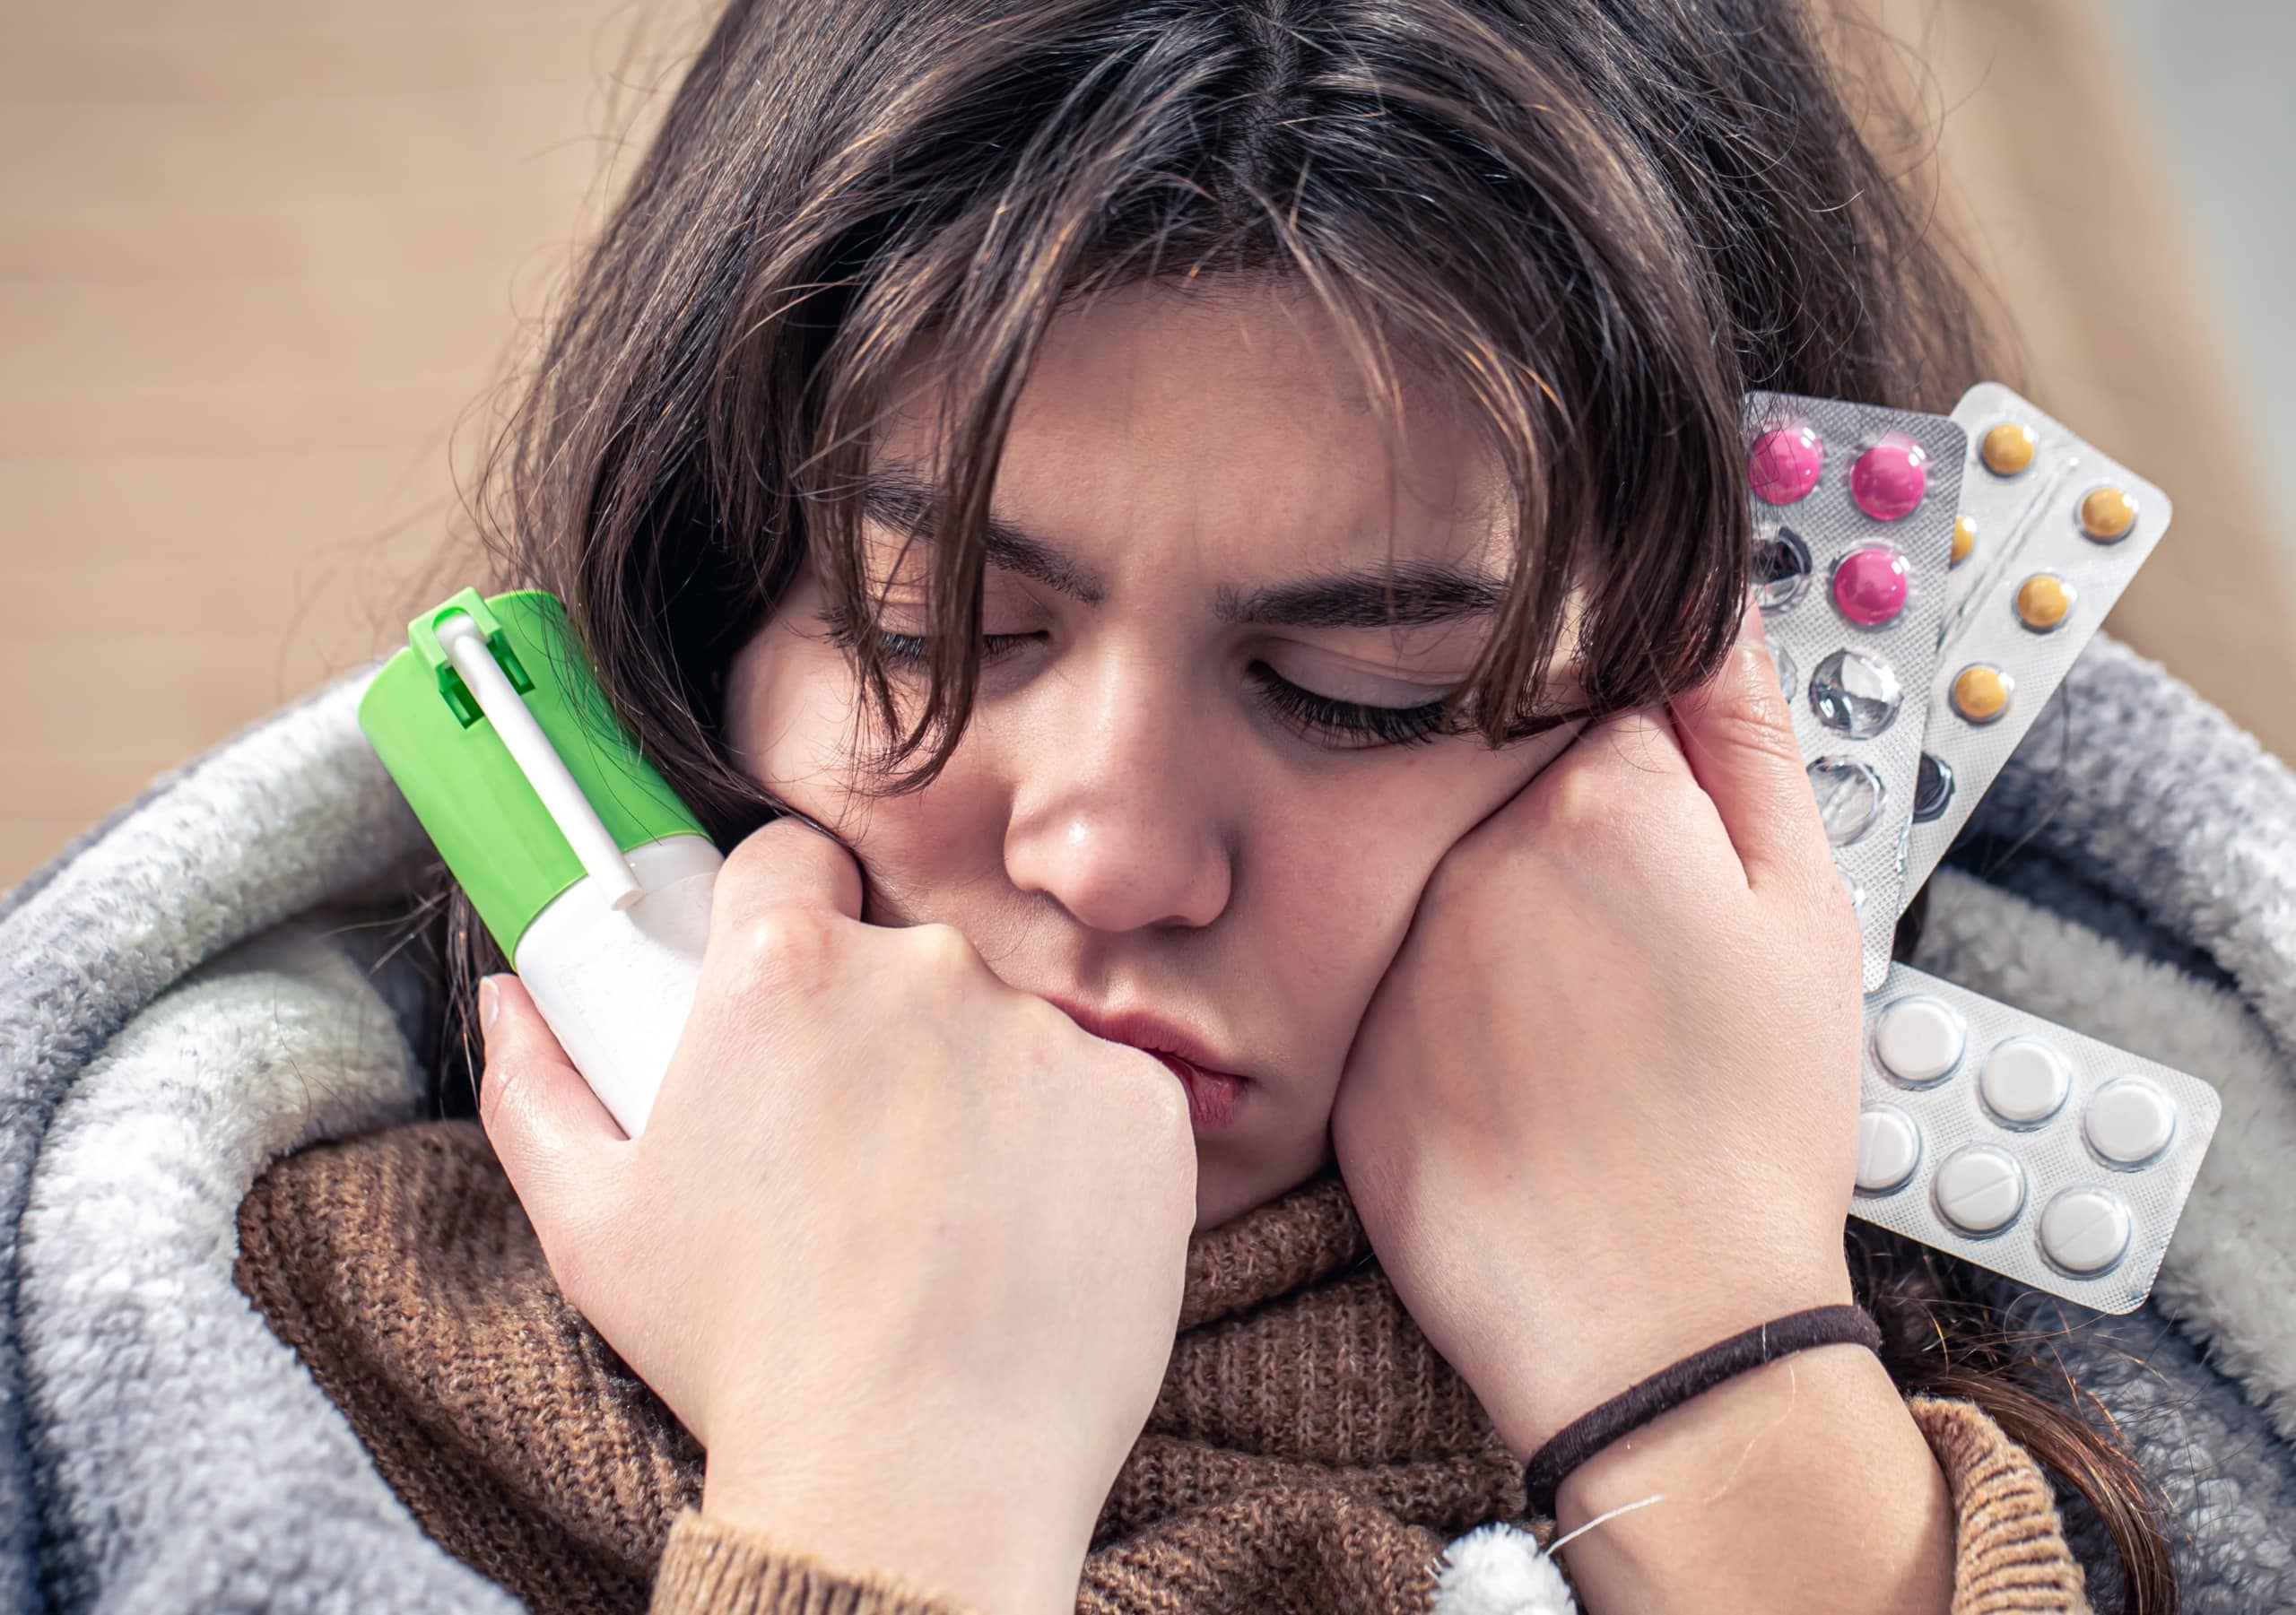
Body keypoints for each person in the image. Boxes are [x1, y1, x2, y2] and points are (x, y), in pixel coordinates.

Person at [233, 0, 2177, 1610]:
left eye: (1366, 692)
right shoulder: (291, 1349)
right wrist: (882, 1480)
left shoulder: (2105, 1357)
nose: (1108, 851)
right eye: (935, 625)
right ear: (693, 604)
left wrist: (1721, 1380)